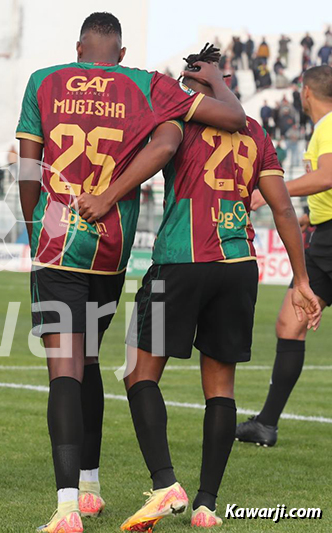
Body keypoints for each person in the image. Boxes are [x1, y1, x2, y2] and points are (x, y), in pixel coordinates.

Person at [77, 44, 320, 531]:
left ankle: (166, 484)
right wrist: (301, 278)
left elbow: (159, 152)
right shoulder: (256, 132)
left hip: (183, 262)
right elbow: (283, 209)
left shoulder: (179, 119)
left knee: (137, 373)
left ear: (193, 84)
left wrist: (106, 197)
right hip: (239, 267)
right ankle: (207, 505)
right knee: (221, 387)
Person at [17, 13, 246, 529]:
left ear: (79, 47)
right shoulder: (147, 85)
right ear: (119, 53)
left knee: (65, 370)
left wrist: (36, 228)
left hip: (59, 241)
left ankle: (67, 507)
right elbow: (223, 124)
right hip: (111, 248)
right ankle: (92, 486)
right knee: (90, 358)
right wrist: (212, 79)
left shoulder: (44, 81)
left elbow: (29, 168)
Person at [239, 65, 332, 446]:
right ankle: (267, 424)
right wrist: (312, 215)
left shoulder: (328, 125)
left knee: (291, 321)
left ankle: (267, 423)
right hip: (323, 236)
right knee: (289, 323)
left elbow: (327, 176)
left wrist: (273, 189)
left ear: (305, 91)